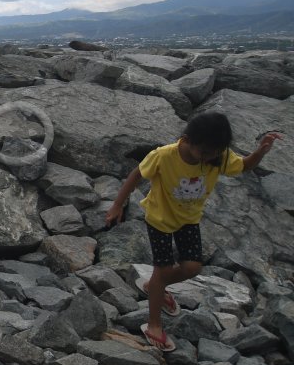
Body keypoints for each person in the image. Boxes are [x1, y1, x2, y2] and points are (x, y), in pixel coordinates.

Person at [105, 113, 282, 352]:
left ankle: (156, 286)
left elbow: (244, 166)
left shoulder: (217, 157)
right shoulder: (164, 155)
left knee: (192, 268)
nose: (208, 159)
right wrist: (117, 205)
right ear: (187, 140)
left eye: (214, 154)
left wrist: (260, 152)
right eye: (204, 153)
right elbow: (136, 175)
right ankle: (154, 324)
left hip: (189, 220)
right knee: (163, 269)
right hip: (159, 219)